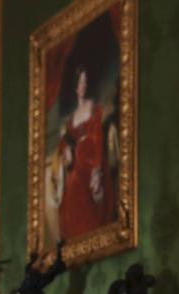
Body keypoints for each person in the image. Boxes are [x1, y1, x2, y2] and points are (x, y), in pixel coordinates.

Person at [52, 67, 115, 241]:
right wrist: (65, 150)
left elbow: (97, 137)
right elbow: (66, 140)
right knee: (72, 184)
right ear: (75, 87)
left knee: (77, 176)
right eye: (80, 82)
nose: (83, 86)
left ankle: (88, 230)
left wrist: (96, 169)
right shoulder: (72, 118)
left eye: (85, 82)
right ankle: (77, 235)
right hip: (77, 164)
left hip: (92, 159)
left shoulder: (94, 109)